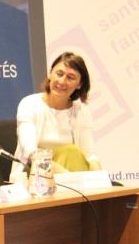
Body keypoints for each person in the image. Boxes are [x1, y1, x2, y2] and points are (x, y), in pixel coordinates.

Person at [10, 51, 100, 179]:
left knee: (74, 154)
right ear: (50, 74)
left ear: (79, 84)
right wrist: (69, 178)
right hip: (34, 176)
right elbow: (30, 153)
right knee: (71, 152)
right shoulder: (29, 104)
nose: (62, 81)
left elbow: (89, 154)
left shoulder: (81, 111)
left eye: (70, 77)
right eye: (59, 74)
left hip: (72, 179)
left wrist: (99, 177)